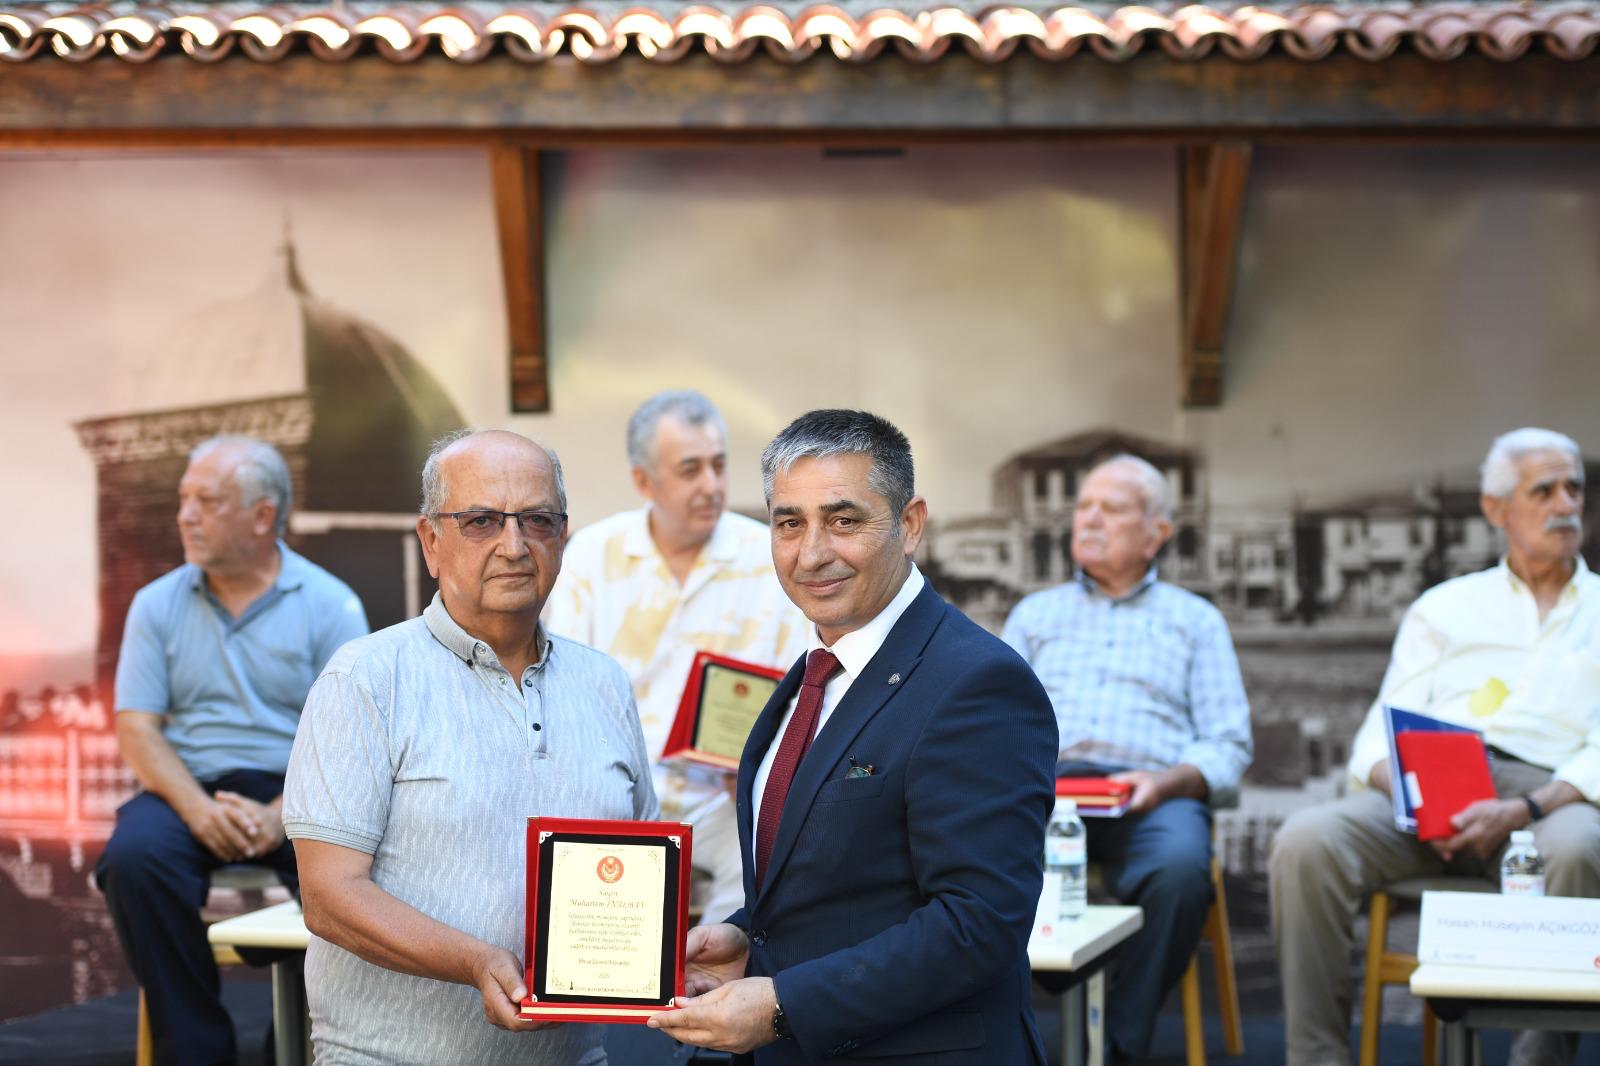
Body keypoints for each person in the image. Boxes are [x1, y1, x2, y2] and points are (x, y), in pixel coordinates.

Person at [648, 409, 1058, 1064]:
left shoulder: (978, 684)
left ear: (910, 524)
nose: (812, 553)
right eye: (789, 524)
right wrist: (748, 939)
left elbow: (979, 925)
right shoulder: (815, 672)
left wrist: (783, 1004)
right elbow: (843, 883)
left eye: (843, 521)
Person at [283, 429, 656, 1065]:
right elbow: (328, 897)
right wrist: (475, 961)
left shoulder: (604, 684)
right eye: (481, 521)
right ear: (431, 541)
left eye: (537, 520)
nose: (514, 545)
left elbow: (638, 867)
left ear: (562, 537)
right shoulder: (366, 679)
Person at [1270, 427, 1600, 1066]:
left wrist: (1527, 807)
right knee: (1306, 841)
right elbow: (1379, 733)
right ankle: (1317, 1060)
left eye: (1574, 488)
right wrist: (1420, 798)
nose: (1566, 503)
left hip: (1550, 799)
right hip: (1429, 792)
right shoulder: (1445, 607)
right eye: (1544, 490)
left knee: (1578, 847)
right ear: (1496, 508)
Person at [96, 435, 368, 1066]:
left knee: (360, 872)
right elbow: (137, 728)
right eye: (183, 499)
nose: (185, 516)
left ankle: (296, 1047)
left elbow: (351, 737)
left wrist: (281, 814)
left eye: (207, 501)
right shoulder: (156, 604)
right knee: (133, 860)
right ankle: (195, 1050)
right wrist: (197, 811)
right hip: (191, 786)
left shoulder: (330, 604)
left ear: (262, 515)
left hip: (299, 788)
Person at [1000, 452, 1253, 1065]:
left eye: (1110, 508)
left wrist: (1171, 782)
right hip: (1045, 792)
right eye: (1083, 506)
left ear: (1156, 533)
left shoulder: (1197, 621)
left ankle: (1116, 1047)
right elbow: (994, 723)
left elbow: (1229, 741)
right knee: (963, 854)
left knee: (1180, 868)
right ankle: (996, 1042)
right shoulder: (1035, 615)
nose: (1088, 519)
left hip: (1153, 794)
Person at [545, 390, 808, 924]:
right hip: (616, 797)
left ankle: (719, 971)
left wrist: (765, 762)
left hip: (731, 803)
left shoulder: (769, 559)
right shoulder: (594, 557)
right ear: (644, 481)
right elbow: (562, 690)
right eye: (690, 470)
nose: (710, 485)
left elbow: (803, 688)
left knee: (766, 877)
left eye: (718, 465)